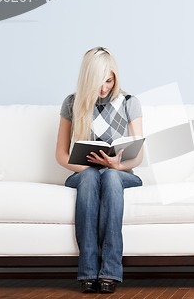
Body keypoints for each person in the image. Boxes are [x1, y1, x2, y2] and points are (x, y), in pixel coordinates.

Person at [55, 46, 144, 293]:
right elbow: (61, 155)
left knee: (113, 177)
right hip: (86, 174)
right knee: (91, 177)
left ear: (115, 76)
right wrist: (86, 166)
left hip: (122, 173)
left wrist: (118, 165)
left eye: (109, 80)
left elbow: (139, 155)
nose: (104, 88)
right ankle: (88, 273)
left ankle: (110, 273)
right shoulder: (72, 103)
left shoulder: (129, 102)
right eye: (98, 82)